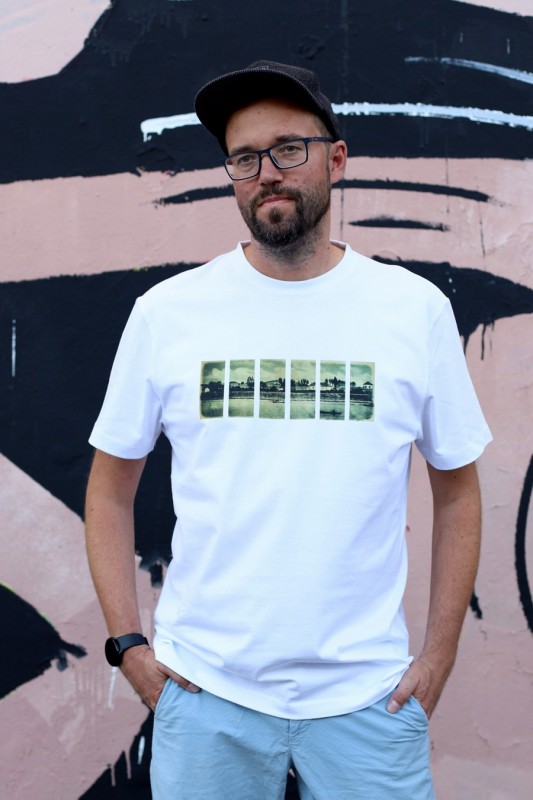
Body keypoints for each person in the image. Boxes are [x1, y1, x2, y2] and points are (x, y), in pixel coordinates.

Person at [85, 60, 492, 799]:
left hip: (369, 697)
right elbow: (110, 490)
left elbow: (458, 490)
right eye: (244, 158)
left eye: (287, 149)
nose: (266, 172)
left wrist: (438, 656)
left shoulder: (412, 310)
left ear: (335, 159)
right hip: (205, 692)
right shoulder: (168, 313)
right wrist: (129, 646)